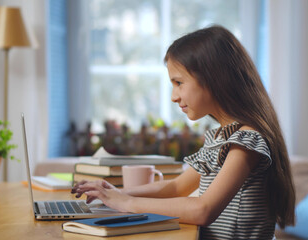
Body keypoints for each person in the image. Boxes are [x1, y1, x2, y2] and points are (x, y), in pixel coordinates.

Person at [71, 25, 296, 239]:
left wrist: (126, 203)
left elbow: (203, 210)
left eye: (179, 82)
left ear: (214, 79)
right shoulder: (221, 138)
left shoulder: (245, 142)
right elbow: (177, 187)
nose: (173, 96)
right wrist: (118, 192)